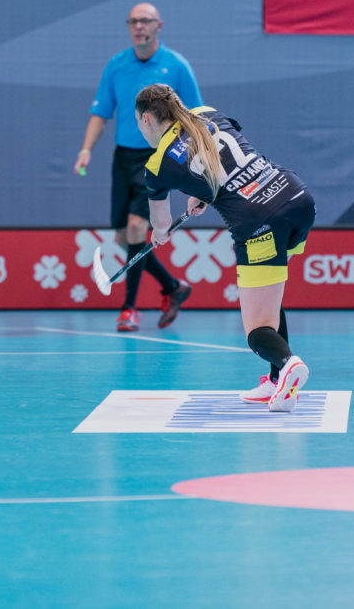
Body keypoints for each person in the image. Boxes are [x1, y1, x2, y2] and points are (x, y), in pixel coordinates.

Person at [134, 84, 314, 412]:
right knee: (269, 298)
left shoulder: (157, 165)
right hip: (296, 197)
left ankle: (289, 365)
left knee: (257, 330)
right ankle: (276, 381)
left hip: (259, 222)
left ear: (146, 119)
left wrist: (160, 235)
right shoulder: (204, 113)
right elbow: (230, 161)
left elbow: (161, 225)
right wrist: (205, 194)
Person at [75, 3, 199, 332]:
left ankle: (128, 309)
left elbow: (196, 114)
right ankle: (174, 287)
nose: (139, 26)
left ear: (159, 25)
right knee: (122, 236)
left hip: (157, 157)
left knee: (134, 228)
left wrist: (191, 158)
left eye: (145, 21)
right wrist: (86, 149)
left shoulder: (177, 66)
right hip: (123, 157)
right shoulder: (116, 66)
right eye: (133, 21)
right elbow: (101, 112)